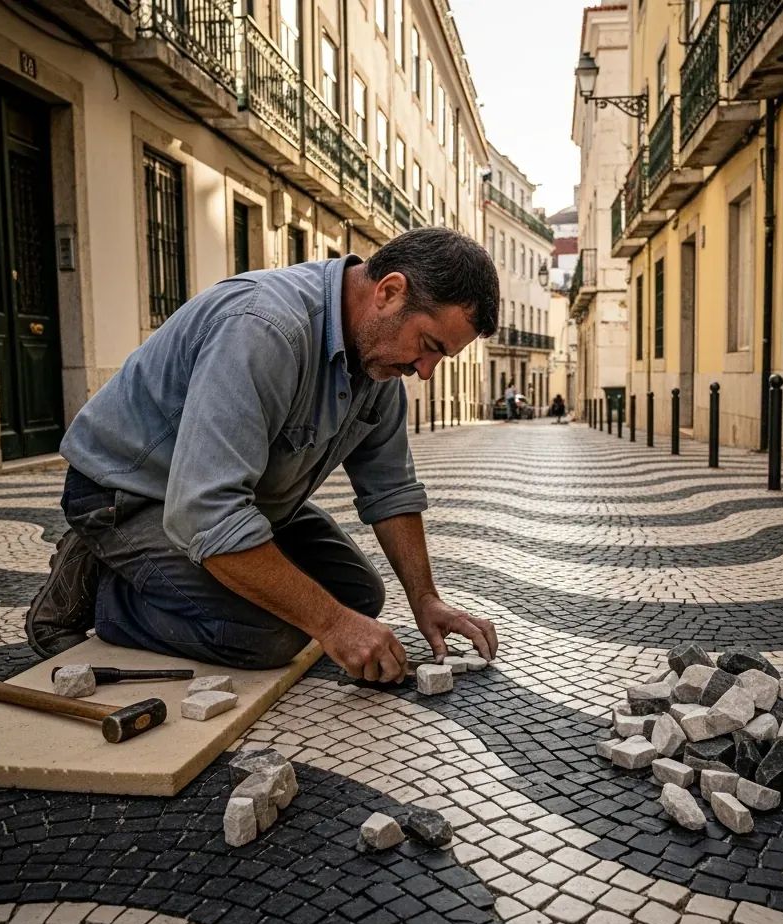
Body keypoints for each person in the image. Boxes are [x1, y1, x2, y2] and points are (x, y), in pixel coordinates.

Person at [26, 228, 500, 684]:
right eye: (430, 346)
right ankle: (101, 584)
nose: (426, 371)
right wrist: (332, 626)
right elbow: (208, 512)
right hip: (128, 495)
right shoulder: (264, 328)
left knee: (358, 595)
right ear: (390, 292)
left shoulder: (379, 366)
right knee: (268, 635)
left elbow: (391, 489)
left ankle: (175, 576)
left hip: (240, 498)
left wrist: (425, 599)